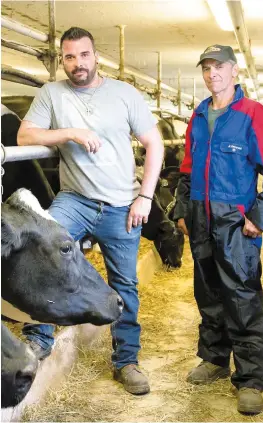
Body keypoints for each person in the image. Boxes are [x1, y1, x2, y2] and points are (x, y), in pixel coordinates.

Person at [17, 27, 164, 396]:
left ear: (96, 56)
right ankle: (39, 337)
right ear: (62, 59)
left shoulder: (125, 94)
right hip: (75, 198)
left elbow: (155, 143)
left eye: (83, 55)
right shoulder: (52, 93)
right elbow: (24, 137)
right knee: (45, 250)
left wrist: (145, 197)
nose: (77, 63)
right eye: (69, 56)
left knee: (124, 284)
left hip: (121, 204)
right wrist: (69, 132)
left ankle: (126, 361)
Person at [173, 44, 263, 414]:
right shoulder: (199, 114)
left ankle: (251, 377)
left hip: (235, 223)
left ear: (234, 71)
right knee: (208, 292)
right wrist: (181, 210)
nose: (212, 74)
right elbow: (188, 169)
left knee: (241, 297)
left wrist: (257, 217)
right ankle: (215, 360)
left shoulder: (252, 115)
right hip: (200, 217)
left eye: (218, 67)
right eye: (206, 68)